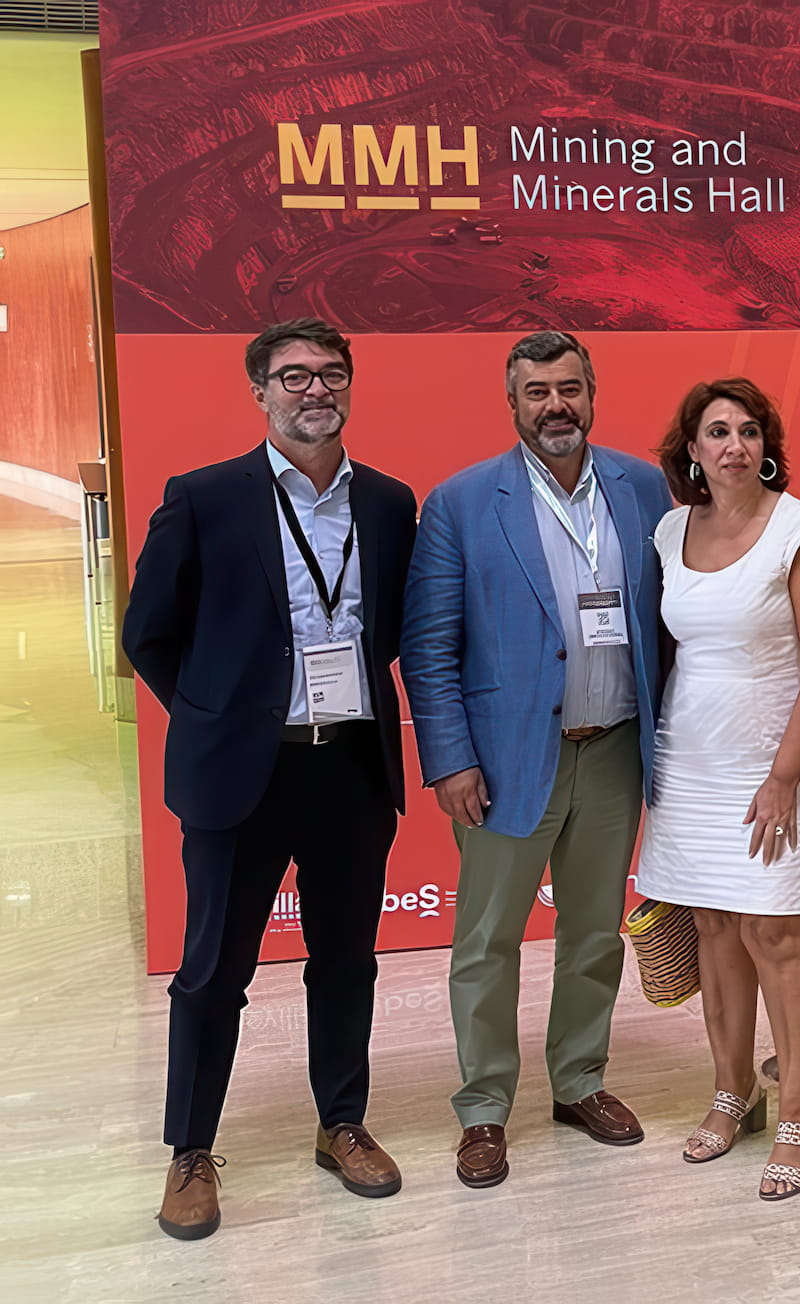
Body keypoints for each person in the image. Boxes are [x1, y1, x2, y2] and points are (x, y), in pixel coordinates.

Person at [124, 318, 417, 1239]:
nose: (314, 390)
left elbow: (394, 629)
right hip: (237, 778)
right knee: (212, 973)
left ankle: (342, 1124)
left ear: (350, 387)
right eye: (293, 376)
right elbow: (148, 632)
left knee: (346, 963)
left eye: (330, 374)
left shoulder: (388, 502)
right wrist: (217, 716)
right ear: (260, 392)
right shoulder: (205, 497)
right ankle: (190, 1152)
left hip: (351, 769)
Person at [402, 330, 671, 1188]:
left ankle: (579, 1080)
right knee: (487, 942)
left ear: (592, 393)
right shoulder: (460, 502)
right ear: (511, 403)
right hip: (508, 757)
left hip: (615, 749)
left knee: (594, 933)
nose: (556, 406)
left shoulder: (642, 486)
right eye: (537, 393)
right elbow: (429, 645)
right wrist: (449, 760)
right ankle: (483, 1108)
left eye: (569, 389)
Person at [634, 378, 800, 1200]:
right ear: (691, 450)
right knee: (717, 930)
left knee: (779, 939)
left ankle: (799, 1116)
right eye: (717, 432)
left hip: (773, 771)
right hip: (687, 763)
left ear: (767, 447)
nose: (734, 446)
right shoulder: (667, 530)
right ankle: (734, 1094)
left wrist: (784, 778)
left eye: (749, 432)